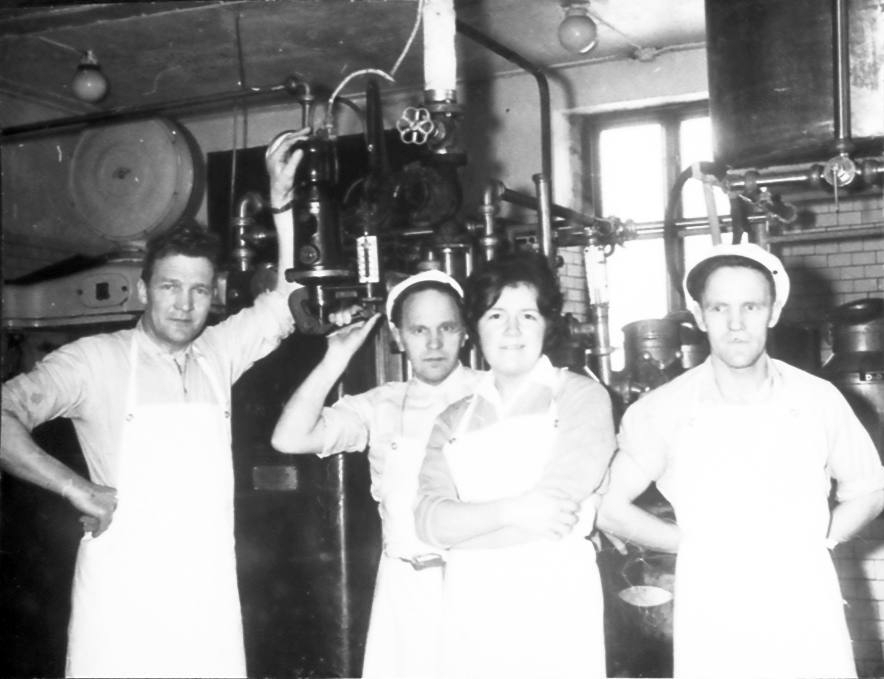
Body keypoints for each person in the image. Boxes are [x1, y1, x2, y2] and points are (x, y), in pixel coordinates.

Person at [0, 127, 311, 679]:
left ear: (213, 295)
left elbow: (286, 301)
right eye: (170, 286)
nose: (184, 304)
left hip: (204, 593)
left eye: (198, 290)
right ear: (143, 290)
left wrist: (281, 203)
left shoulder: (218, 353)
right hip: (124, 599)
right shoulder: (94, 360)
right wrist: (74, 487)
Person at [597, 242, 884, 679]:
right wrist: (696, 546)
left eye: (751, 306)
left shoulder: (817, 399)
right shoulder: (665, 409)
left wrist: (816, 540)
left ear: (774, 311)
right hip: (715, 607)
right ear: (699, 315)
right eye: (719, 308)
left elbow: (871, 489)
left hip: (806, 603)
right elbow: (608, 507)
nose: (735, 324)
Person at [270, 269, 481, 679]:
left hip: (478, 586)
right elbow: (288, 438)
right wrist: (335, 358)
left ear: (465, 332)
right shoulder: (380, 405)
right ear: (398, 337)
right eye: (418, 330)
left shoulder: (493, 392)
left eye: (446, 327)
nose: (434, 343)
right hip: (404, 591)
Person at [415, 252, 616, 679]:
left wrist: (465, 527)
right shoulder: (451, 419)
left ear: (547, 325)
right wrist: (515, 511)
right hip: (470, 606)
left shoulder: (581, 397)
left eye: (527, 315)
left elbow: (557, 505)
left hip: (554, 598)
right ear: (475, 329)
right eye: (495, 316)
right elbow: (429, 523)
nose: (511, 330)